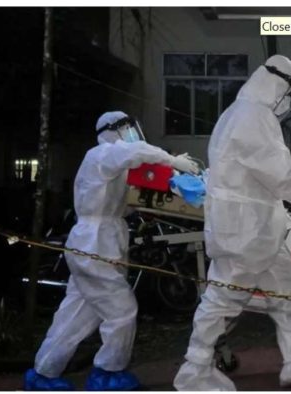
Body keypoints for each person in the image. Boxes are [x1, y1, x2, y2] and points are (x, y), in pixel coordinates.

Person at [173, 55, 291, 391]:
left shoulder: (237, 113)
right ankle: (194, 370)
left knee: (286, 289)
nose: (289, 104)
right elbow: (278, 173)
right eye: (290, 95)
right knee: (223, 298)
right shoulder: (254, 116)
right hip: (245, 232)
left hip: (256, 230)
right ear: (280, 88)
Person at [24, 111, 199, 391]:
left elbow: (120, 201)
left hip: (100, 242)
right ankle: (107, 373)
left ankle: (44, 372)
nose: (131, 133)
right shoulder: (102, 154)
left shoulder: (113, 165)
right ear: (114, 130)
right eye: (127, 129)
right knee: (121, 311)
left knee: (77, 314)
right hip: (94, 245)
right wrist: (171, 160)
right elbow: (134, 151)